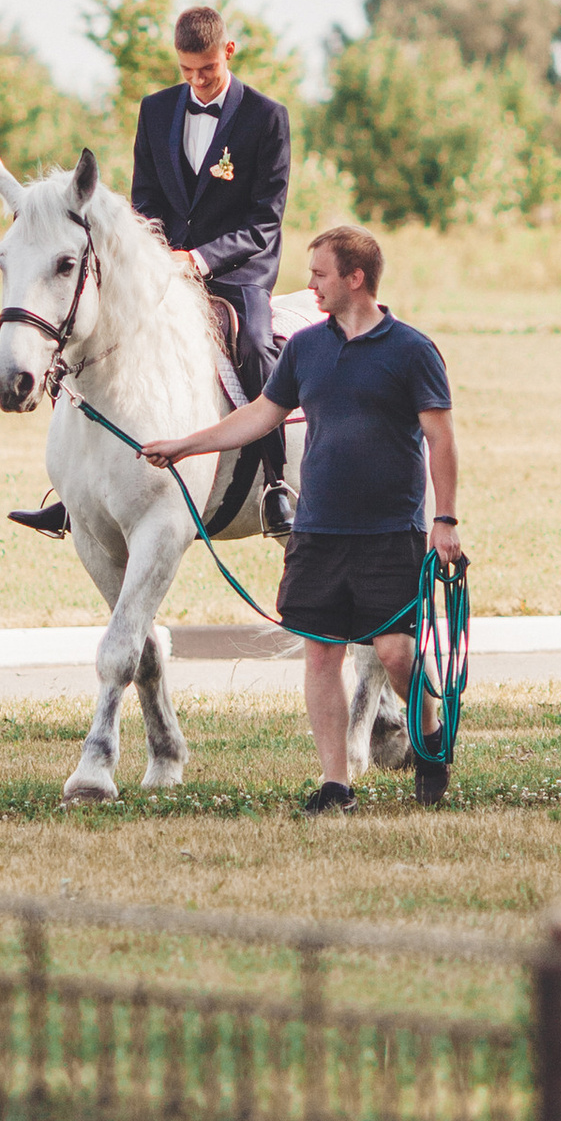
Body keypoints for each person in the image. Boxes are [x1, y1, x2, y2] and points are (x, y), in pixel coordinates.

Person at [139, 221, 460, 813]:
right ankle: (336, 784)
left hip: (392, 530)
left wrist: (445, 521)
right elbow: (260, 416)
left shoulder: (412, 351)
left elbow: (440, 439)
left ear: (355, 278)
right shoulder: (306, 348)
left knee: (395, 653)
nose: (309, 285)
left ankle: (430, 735)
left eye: (320, 274)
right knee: (321, 652)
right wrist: (184, 446)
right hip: (317, 530)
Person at [13, 0, 293, 540]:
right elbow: (145, 201)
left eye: (208, 69)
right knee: (80, 334)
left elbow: (266, 222)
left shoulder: (267, 118)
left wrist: (202, 259)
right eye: (187, 71)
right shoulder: (156, 110)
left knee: (258, 347)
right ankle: (74, 492)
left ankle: (277, 484)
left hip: (236, 274)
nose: (199, 81)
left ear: (228, 51)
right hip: (161, 269)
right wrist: (154, 258)